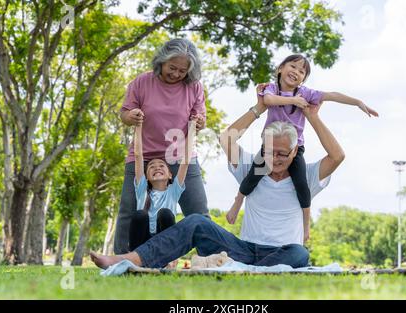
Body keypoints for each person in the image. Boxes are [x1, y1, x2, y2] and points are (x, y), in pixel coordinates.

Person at [91, 84, 345, 269]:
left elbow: (337, 156)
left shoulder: (307, 177)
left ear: (294, 152)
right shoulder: (252, 169)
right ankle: (129, 260)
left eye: (282, 153)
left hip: (284, 252)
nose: (275, 159)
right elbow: (227, 138)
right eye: (269, 152)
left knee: (299, 253)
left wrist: (313, 116)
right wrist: (259, 107)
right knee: (195, 222)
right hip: (243, 250)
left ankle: (245, 271)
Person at [226, 54, 379, 243]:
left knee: (302, 185)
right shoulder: (272, 90)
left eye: (302, 72)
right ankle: (237, 202)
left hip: (296, 146)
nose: (297, 72)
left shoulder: (304, 93)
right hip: (268, 143)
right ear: (280, 69)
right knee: (251, 177)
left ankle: (306, 225)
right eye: (293, 67)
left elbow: (331, 95)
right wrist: (292, 102)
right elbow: (269, 101)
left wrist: (357, 102)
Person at [114, 38, 209, 254]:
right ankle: (122, 259)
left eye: (182, 71)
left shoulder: (194, 88)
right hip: (143, 155)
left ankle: (211, 257)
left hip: (180, 157)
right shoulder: (142, 82)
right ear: (161, 61)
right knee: (129, 210)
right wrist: (131, 115)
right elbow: (124, 113)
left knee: (198, 212)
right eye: (172, 68)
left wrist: (200, 121)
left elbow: (200, 118)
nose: (176, 74)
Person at [128, 120, 196, 251]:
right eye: (151, 167)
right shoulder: (142, 190)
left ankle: (169, 259)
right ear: (146, 177)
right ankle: (134, 258)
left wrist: (192, 127)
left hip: (163, 242)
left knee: (165, 213)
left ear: (170, 175)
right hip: (143, 243)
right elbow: (138, 155)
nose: (157, 168)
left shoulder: (173, 191)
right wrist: (138, 125)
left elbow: (186, 160)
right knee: (140, 215)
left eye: (161, 166)